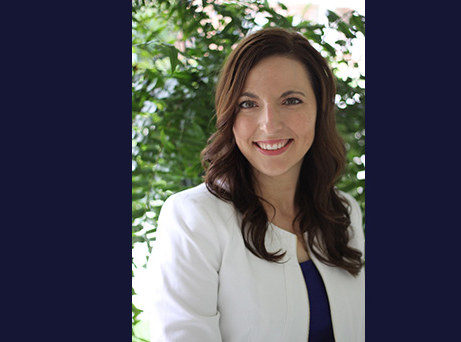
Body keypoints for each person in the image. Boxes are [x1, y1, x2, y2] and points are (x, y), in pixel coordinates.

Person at [146, 27, 365, 341]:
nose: (270, 124)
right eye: (248, 104)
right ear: (229, 115)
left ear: (320, 109)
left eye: (291, 100)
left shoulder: (343, 212)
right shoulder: (193, 219)